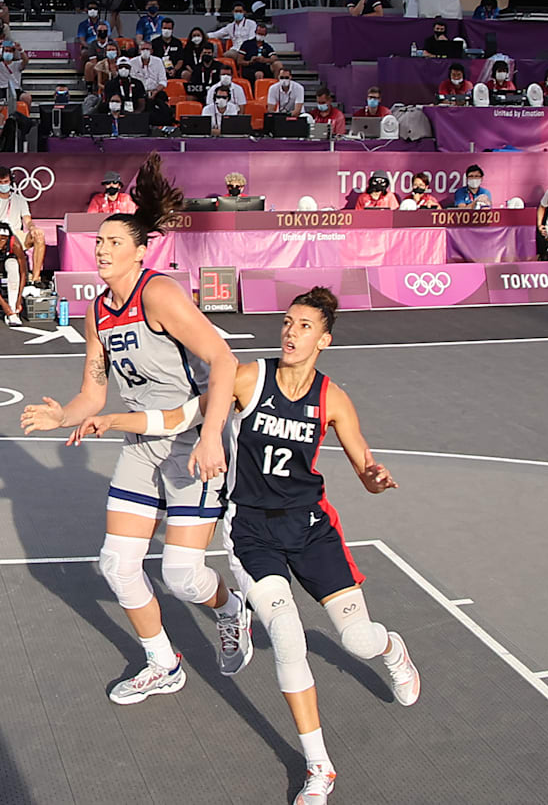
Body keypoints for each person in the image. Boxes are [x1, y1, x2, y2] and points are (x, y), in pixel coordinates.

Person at [21, 160, 246, 704]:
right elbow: (93, 394)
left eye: (114, 241)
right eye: (98, 241)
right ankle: (163, 663)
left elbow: (223, 359)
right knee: (117, 564)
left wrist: (214, 433)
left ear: (141, 250)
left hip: (193, 438)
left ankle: (230, 607)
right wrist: (64, 415)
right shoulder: (98, 312)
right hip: (142, 442)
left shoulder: (159, 293)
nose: (101, 249)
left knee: (184, 576)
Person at [222, 287, 420, 802]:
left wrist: (376, 478)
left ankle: (392, 649)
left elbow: (364, 467)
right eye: (288, 322)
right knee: (287, 635)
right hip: (252, 529)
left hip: (311, 529)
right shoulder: (249, 378)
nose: (291, 332)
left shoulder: (332, 398)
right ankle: (320, 767)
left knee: (357, 641)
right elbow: (193, 418)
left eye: (304, 326)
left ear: (324, 340)